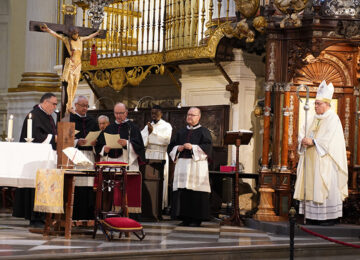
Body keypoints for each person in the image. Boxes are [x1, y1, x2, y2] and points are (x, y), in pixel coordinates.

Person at [294, 80, 348, 226]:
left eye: (318, 104)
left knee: (324, 185)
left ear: (327, 104)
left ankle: (328, 217)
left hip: (326, 161)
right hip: (311, 159)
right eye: (315, 103)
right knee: (312, 185)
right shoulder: (311, 118)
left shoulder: (333, 118)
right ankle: (311, 216)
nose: (315, 106)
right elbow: (302, 132)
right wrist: (303, 140)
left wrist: (314, 142)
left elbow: (331, 140)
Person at [14, 93, 58, 227]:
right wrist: (53, 138)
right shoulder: (33, 115)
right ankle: (35, 217)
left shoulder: (48, 116)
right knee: (36, 187)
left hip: (46, 158)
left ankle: (43, 216)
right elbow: (35, 136)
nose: (55, 107)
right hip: (35, 159)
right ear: (45, 103)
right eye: (54, 104)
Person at [167, 107, 212, 227]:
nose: (189, 117)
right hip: (182, 165)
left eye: (192, 115)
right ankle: (184, 218)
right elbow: (170, 147)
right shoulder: (181, 132)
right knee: (183, 191)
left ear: (199, 117)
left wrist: (192, 147)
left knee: (196, 191)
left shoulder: (204, 131)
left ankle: (197, 219)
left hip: (196, 165)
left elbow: (208, 147)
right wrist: (178, 148)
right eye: (188, 114)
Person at [40, 24, 99, 113]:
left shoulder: (80, 39)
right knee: (70, 84)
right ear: (71, 34)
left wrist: (96, 33)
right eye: (75, 34)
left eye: (77, 33)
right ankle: (69, 104)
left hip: (78, 65)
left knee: (76, 83)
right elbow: (57, 35)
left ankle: (71, 103)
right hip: (71, 65)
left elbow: (89, 36)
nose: (77, 35)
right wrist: (48, 30)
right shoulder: (67, 40)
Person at [70, 95, 99, 220]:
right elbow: (64, 139)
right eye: (83, 105)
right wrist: (77, 141)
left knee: (88, 186)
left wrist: (95, 143)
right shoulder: (69, 119)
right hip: (74, 155)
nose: (85, 108)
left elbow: (100, 139)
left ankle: (88, 216)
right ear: (76, 105)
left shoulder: (92, 121)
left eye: (87, 106)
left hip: (89, 155)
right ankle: (74, 215)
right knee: (76, 186)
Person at [141, 105, 172, 219]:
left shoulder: (166, 126)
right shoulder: (148, 126)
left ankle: (159, 208)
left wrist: (152, 133)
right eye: (152, 113)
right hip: (148, 155)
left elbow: (166, 140)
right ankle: (148, 207)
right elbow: (142, 138)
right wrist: (148, 132)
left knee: (160, 183)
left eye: (156, 113)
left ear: (161, 113)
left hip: (159, 155)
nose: (153, 115)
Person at [95, 103, 145, 171]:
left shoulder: (132, 127)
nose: (118, 116)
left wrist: (127, 144)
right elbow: (99, 145)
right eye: (116, 113)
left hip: (126, 162)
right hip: (110, 163)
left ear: (126, 113)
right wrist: (104, 149)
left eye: (120, 113)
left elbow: (139, 146)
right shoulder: (109, 128)